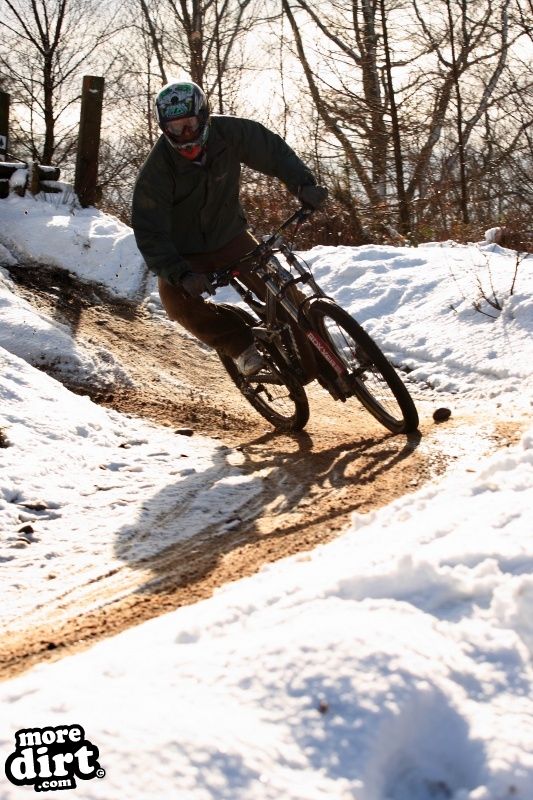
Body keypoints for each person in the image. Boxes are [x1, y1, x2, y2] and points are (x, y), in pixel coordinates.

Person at [131, 80, 327, 377]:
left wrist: (302, 184)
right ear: (163, 127)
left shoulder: (230, 133)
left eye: (190, 124)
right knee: (176, 305)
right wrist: (179, 273)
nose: (184, 134)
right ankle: (240, 346)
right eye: (174, 128)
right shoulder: (157, 171)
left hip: (230, 235)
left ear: (204, 116)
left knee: (284, 293)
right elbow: (149, 230)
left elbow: (273, 152)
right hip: (185, 254)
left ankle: (326, 353)